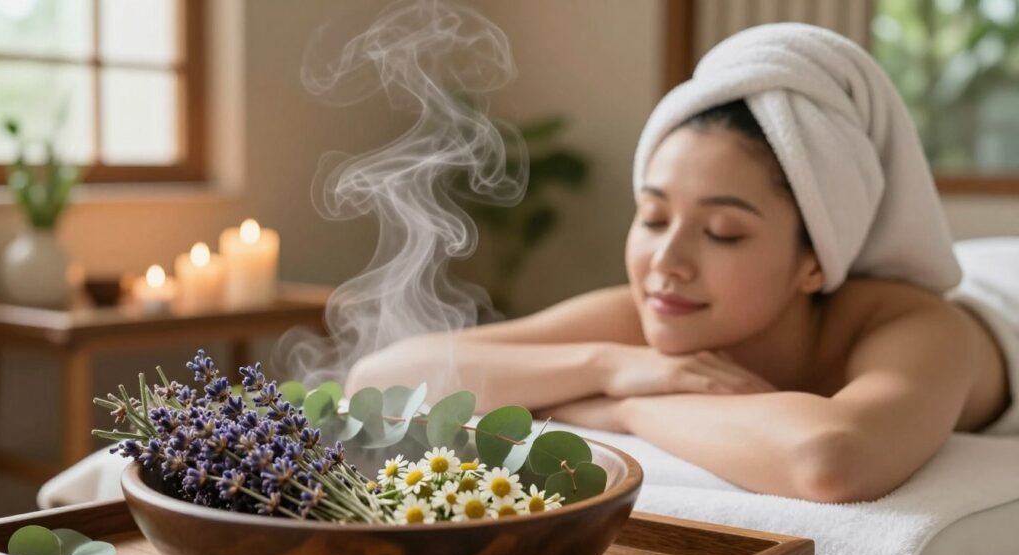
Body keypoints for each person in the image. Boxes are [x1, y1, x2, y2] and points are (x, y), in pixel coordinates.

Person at [344, 23, 1015, 503]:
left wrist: (622, 407)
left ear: (816, 261)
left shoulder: (925, 329)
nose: (667, 260)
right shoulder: (655, 314)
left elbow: (830, 458)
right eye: (655, 216)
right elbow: (379, 380)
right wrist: (609, 363)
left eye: (723, 232)